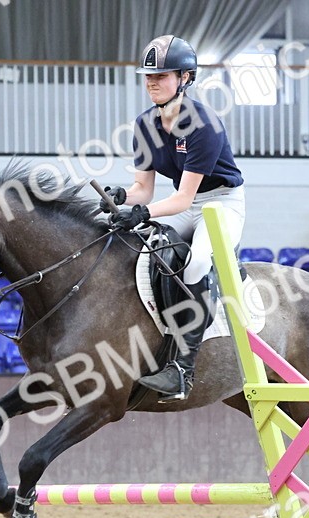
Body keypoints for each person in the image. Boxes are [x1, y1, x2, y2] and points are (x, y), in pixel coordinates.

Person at [100, 33, 245, 403]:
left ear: (185, 78)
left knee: (196, 264)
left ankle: (183, 369)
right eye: (148, 76)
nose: (151, 82)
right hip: (185, 204)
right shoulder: (145, 124)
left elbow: (181, 198)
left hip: (221, 204)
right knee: (151, 253)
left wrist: (143, 212)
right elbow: (143, 190)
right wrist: (122, 197)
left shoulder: (203, 124)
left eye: (161, 76)